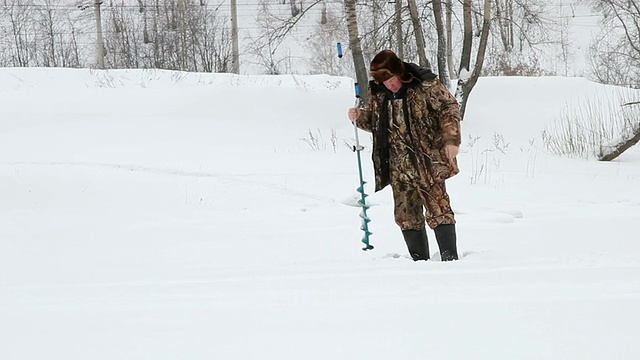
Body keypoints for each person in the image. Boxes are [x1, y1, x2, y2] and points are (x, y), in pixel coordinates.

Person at [347, 50, 462, 261]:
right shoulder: (380, 94)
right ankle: (419, 262)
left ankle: (450, 259)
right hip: (398, 166)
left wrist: (451, 140)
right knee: (406, 216)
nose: (389, 85)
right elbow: (376, 123)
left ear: (399, 72)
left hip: (427, 162)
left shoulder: (425, 85)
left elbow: (449, 108)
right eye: (384, 82)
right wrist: (359, 117)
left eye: (391, 79)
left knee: (439, 209)